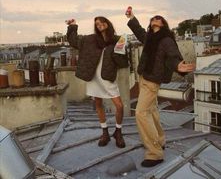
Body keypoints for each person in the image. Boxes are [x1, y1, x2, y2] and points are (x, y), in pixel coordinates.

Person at [126, 10, 195, 167]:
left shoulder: (166, 39)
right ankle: (161, 140)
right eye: (153, 18)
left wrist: (178, 65)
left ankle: (155, 153)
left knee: (141, 113)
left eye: (159, 18)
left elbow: (172, 54)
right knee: (151, 111)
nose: (155, 19)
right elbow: (139, 31)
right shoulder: (150, 38)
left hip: (152, 81)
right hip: (144, 77)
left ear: (163, 24)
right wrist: (131, 18)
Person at [66, 17, 129, 148]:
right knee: (98, 103)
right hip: (93, 76)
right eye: (97, 24)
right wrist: (73, 26)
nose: (99, 25)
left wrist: (121, 50)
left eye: (102, 22)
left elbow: (122, 63)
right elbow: (74, 41)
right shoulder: (91, 39)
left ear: (108, 23)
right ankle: (104, 132)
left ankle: (118, 131)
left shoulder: (118, 39)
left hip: (107, 76)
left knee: (119, 106)